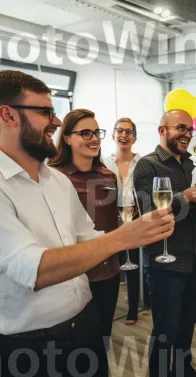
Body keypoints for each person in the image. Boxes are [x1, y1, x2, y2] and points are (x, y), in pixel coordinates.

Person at [0, 70, 175, 377]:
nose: (54, 122)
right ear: (8, 115)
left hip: (85, 327)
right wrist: (124, 237)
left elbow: (88, 238)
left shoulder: (56, 181)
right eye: (44, 112)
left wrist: (141, 233)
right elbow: (35, 270)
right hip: (30, 348)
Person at [133, 109, 196, 377]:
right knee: (165, 331)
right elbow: (150, 210)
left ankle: (182, 369)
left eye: (190, 130)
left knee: (188, 324)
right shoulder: (147, 166)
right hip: (164, 263)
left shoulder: (193, 164)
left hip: (195, 260)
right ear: (162, 130)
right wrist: (188, 196)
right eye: (180, 128)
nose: (187, 134)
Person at [48, 109, 121, 349]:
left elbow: (114, 220)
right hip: (76, 273)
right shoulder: (54, 177)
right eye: (85, 133)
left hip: (109, 270)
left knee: (103, 339)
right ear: (67, 138)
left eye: (96, 132)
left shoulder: (108, 175)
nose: (94, 139)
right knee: (77, 345)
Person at [105, 117, 150, 325]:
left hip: (134, 221)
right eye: (120, 130)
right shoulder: (105, 163)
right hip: (110, 223)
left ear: (134, 137)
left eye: (129, 132)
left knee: (133, 265)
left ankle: (133, 309)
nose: (124, 135)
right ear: (114, 134)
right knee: (113, 266)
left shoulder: (142, 163)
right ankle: (109, 308)